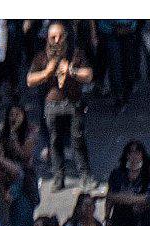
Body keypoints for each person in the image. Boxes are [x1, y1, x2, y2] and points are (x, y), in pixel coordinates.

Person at [26, 22, 92, 191]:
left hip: (73, 103)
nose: (57, 40)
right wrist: (46, 73)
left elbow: (89, 75)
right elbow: (30, 79)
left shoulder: (75, 54)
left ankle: (85, 176)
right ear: (47, 39)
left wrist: (72, 72)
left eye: (60, 36)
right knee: (55, 142)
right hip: (52, 104)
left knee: (78, 140)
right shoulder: (42, 57)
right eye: (53, 37)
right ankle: (59, 178)